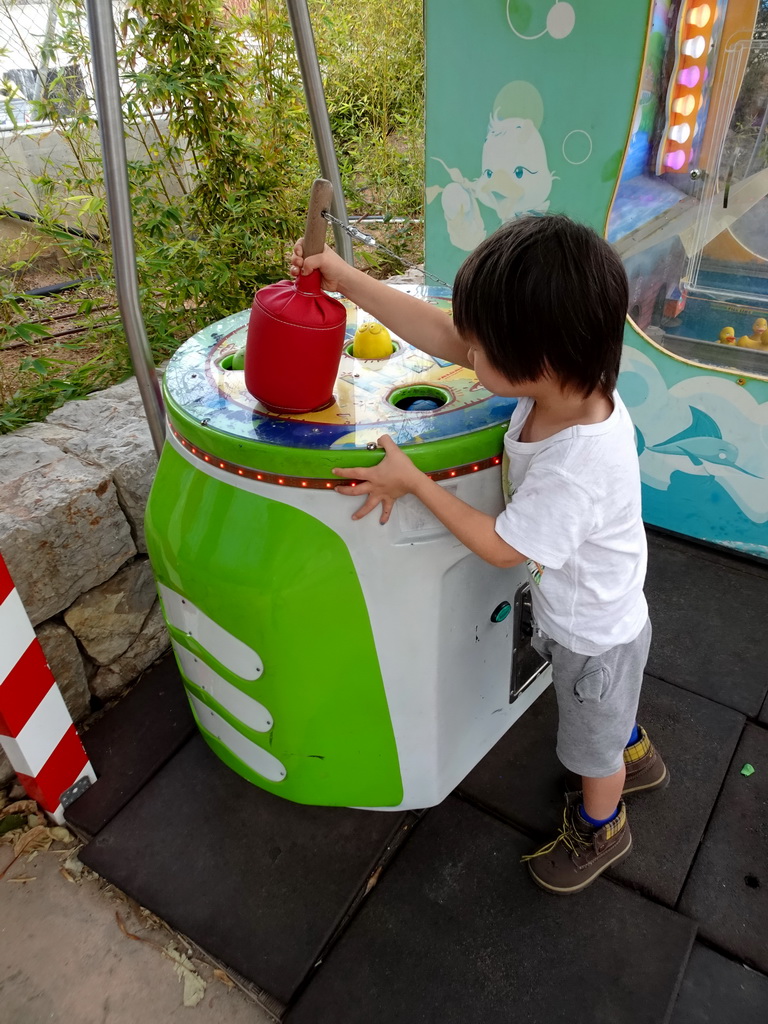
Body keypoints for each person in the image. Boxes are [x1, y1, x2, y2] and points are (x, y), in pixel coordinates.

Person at [290, 213, 668, 895]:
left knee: (589, 741)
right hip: (592, 619)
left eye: (482, 343)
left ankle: (603, 822)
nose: (465, 350)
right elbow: (441, 334)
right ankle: (629, 747)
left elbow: (500, 548)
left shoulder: (577, 463)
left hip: (595, 636)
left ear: (538, 358)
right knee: (605, 706)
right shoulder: (567, 385)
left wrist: (414, 482)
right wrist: (343, 280)